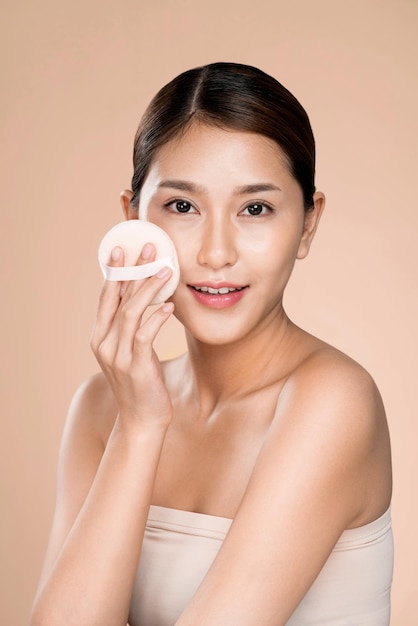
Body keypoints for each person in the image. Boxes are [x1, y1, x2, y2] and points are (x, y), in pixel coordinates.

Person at [30, 62, 393, 626]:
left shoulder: (332, 401)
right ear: (133, 220)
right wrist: (140, 425)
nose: (217, 252)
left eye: (255, 208)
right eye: (182, 207)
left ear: (308, 224)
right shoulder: (103, 409)